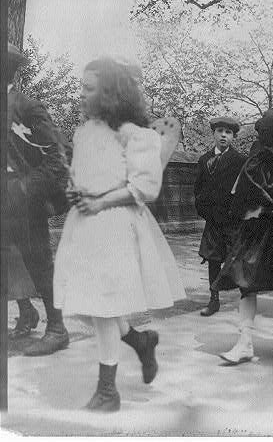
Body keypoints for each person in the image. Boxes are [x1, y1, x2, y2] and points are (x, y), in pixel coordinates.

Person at [53, 57, 184, 411]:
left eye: (89, 88)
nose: (81, 94)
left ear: (110, 93)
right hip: (83, 226)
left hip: (114, 225)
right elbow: (83, 174)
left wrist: (99, 203)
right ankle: (140, 342)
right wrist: (74, 191)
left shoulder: (135, 134)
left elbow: (143, 187)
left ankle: (107, 392)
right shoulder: (84, 130)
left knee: (105, 307)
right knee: (84, 307)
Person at [215, 108, 273, 365]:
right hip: (257, 230)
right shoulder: (256, 159)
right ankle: (245, 342)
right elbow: (243, 194)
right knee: (246, 284)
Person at [3, 43, 70, 355]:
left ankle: (57, 327)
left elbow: (57, 157)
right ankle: (26, 312)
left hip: (25, 199)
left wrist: (26, 189)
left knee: (38, 261)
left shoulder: (29, 107)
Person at [194, 117, 246, 317]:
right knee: (213, 258)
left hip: (232, 221)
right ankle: (213, 299)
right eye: (220, 131)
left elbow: (243, 190)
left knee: (236, 258)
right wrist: (204, 210)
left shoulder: (239, 160)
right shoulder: (203, 159)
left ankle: (245, 298)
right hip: (213, 220)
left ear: (233, 136)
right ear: (214, 134)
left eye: (228, 132)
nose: (224, 135)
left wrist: (236, 213)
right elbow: (198, 189)